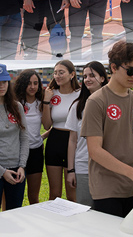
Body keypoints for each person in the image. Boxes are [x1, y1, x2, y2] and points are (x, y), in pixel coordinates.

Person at [81, 41, 133, 217]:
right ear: (114, 68)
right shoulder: (97, 101)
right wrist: (131, 172)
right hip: (107, 188)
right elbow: (94, 150)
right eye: (130, 70)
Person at [65, 61, 108, 206]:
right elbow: (72, 140)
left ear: (102, 78)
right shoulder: (77, 106)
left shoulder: (111, 104)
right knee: (85, 210)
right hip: (84, 166)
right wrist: (71, 170)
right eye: (84, 76)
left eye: (92, 75)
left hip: (108, 167)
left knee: (106, 213)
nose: (87, 79)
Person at [43, 60, 80, 201]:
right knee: (54, 194)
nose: (57, 76)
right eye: (55, 73)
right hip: (54, 142)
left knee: (72, 195)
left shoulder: (81, 94)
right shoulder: (52, 94)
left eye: (61, 72)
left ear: (72, 74)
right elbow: (46, 125)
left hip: (72, 142)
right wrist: (46, 101)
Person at [14, 70, 46, 204]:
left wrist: (41, 138)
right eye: (29, 83)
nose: (32, 87)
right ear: (22, 84)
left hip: (35, 152)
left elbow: (51, 124)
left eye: (35, 83)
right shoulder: (15, 104)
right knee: (14, 198)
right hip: (18, 153)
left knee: (33, 197)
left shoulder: (42, 103)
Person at [0, 64, 29, 210]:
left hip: (17, 169)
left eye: (4, 82)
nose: (1, 86)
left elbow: (24, 138)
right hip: (1, 168)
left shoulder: (16, 106)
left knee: (15, 212)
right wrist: (2, 172)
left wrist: (22, 166)